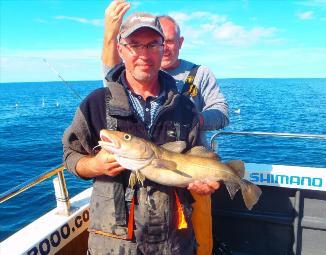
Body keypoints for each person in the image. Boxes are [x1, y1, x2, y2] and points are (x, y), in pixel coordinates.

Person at [63, 12, 220, 255]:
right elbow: (70, 157)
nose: (144, 54)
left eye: (152, 44)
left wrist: (204, 184)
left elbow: (197, 155)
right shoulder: (96, 103)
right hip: (114, 245)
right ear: (121, 50)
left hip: (174, 243)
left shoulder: (185, 107)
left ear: (163, 49)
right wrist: (94, 165)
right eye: (134, 45)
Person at [101, 2, 229, 255]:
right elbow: (109, 77)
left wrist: (193, 119)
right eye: (144, 44)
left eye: (168, 41)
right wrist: (108, 32)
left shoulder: (199, 73)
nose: (165, 48)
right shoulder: (138, 72)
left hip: (191, 172)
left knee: (199, 241)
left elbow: (222, 112)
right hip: (148, 171)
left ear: (180, 42)